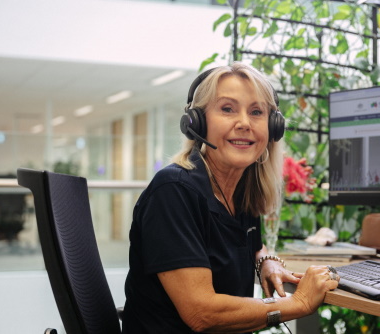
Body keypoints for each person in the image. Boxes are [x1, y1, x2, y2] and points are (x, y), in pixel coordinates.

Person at [122, 62, 339, 333]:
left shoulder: (239, 190)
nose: (245, 123)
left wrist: (265, 261)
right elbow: (201, 313)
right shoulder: (173, 191)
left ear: (273, 127)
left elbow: (249, 246)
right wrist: (300, 302)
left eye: (257, 112)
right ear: (197, 123)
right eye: (227, 109)